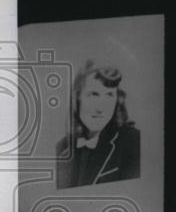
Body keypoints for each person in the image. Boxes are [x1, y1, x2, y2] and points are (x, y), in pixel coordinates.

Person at [56, 61, 141, 189]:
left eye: (109, 95)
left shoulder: (133, 142)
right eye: (93, 95)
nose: (101, 108)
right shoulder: (62, 147)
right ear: (76, 98)